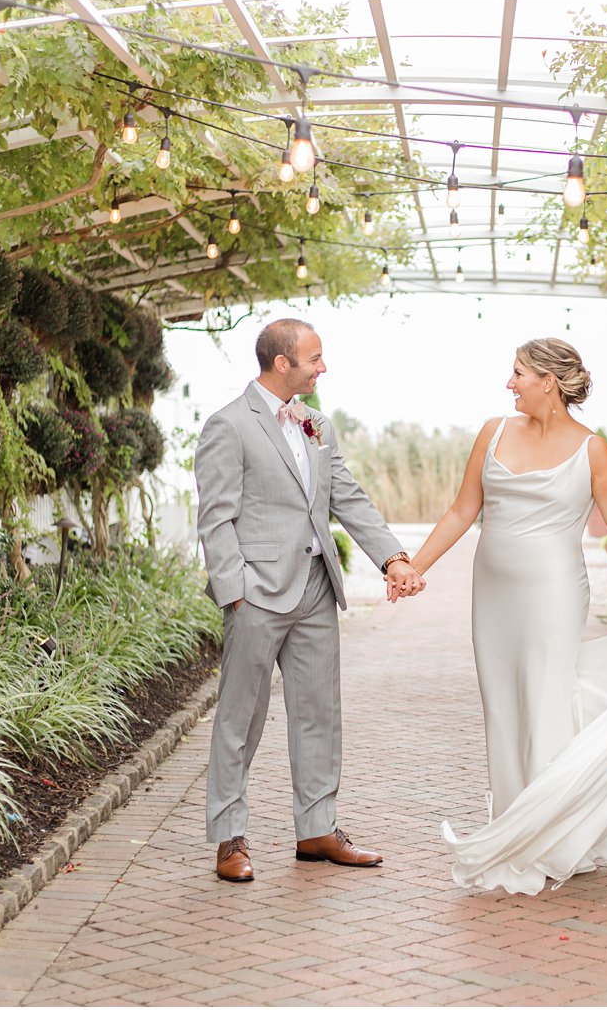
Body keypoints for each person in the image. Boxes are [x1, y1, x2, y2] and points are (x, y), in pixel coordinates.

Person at [409, 338, 607, 895]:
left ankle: (551, 837)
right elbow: (462, 510)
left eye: (519, 373)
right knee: (501, 708)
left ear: (549, 381)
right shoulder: (492, 432)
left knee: (547, 702)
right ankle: (513, 827)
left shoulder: (593, 451)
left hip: (553, 593)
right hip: (494, 591)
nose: (510, 383)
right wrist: (414, 567)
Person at [193, 318, 424, 883]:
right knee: (240, 719)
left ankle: (317, 830)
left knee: (320, 712)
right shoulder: (228, 425)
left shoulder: (318, 424)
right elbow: (215, 518)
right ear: (282, 364)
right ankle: (229, 838)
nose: (324, 368)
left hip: (317, 589)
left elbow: (346, 495)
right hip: (257, 596)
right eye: (315, 358)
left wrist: (392, 557)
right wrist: (236, 593)